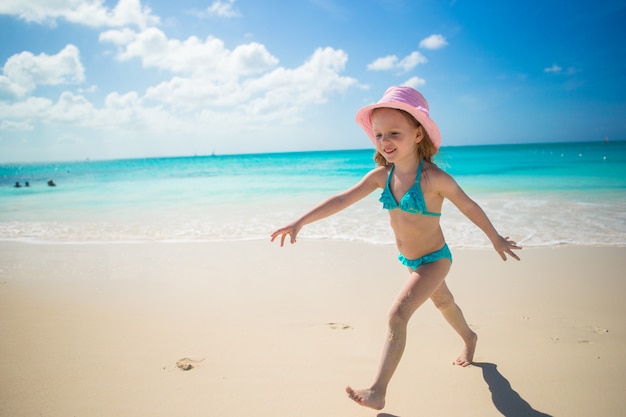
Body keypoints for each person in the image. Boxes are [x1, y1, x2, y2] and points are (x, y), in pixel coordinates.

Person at [270, 86, 521, 410]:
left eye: (394, 133)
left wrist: (495, 237)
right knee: (444, 302)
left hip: (434, 259)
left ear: (418, 134)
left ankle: (378, 391)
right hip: (409, 259)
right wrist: (300, 221)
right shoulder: (381, 176)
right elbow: (343, 199)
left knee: (397, 315)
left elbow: (469, 206)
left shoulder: (434, 179)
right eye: (378, 135)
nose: (384, 141)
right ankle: (469, 337)